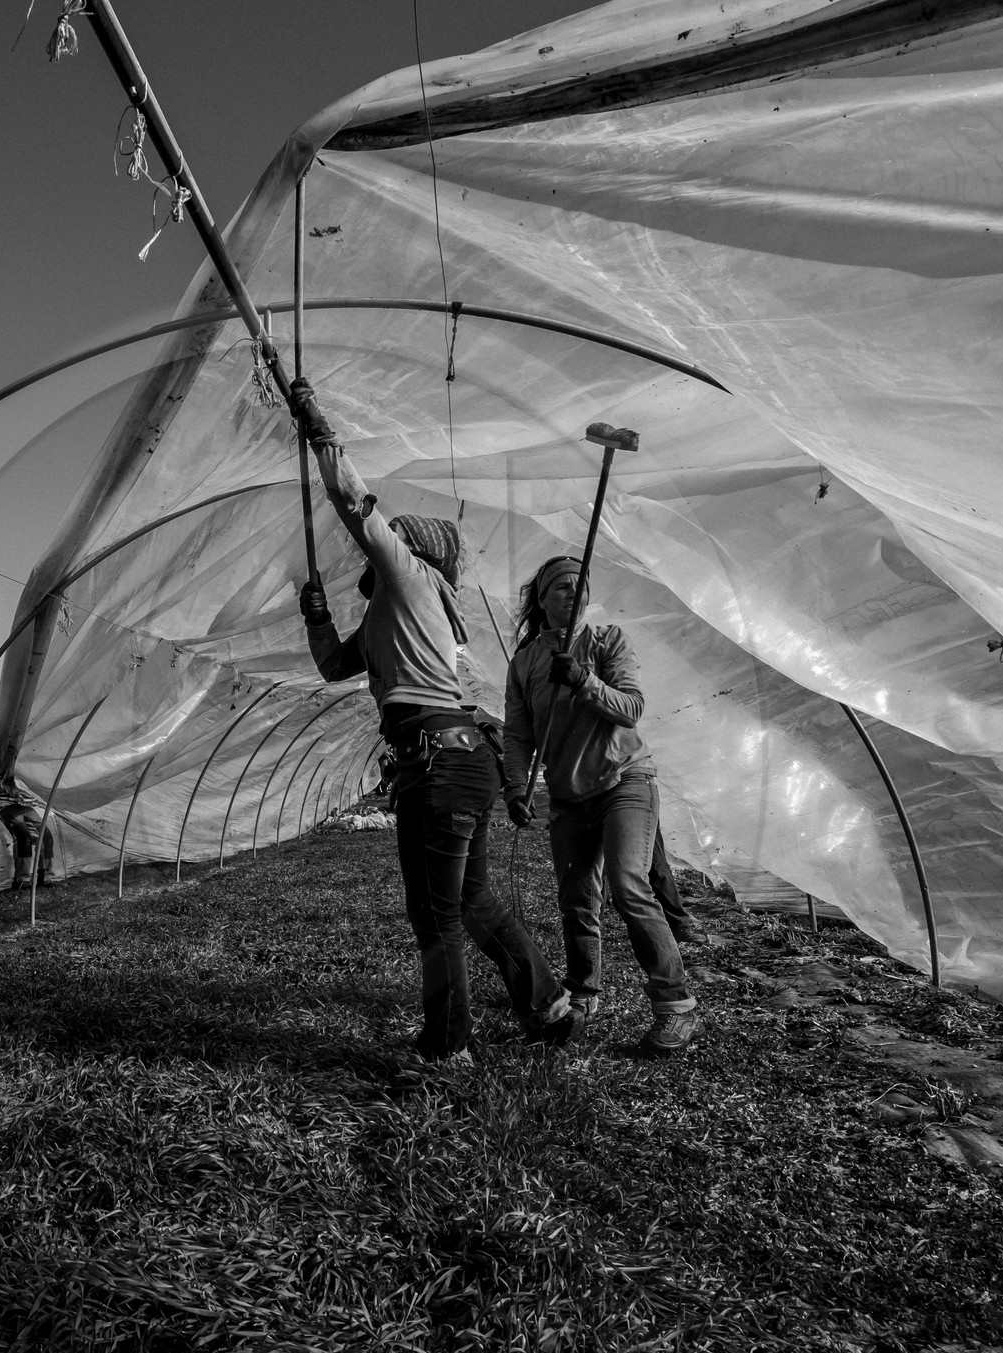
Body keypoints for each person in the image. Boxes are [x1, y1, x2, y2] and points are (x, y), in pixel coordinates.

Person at [291, 381, 571, 1061]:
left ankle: (448, 1050)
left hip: (439, 763)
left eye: (385, 551)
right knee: (469, 900)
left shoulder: (411, 581)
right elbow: (335, 665)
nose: (372, 560)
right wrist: (318, 617)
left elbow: (356, 507)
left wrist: (319, 430)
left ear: (409, 554)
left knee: (437, 915)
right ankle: (546, 1003)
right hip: (449, 762)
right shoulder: (398, 619)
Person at [502, 556, 699, 1051]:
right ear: (542, 599)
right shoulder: (525, 663)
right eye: (561, 588)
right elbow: (518, 735)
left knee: (628, 883)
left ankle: (675, 1005)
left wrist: (584, 681)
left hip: (624, 780)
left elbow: (631, 709)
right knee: (577, 900)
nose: (573, 594)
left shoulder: (606, 641)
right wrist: (515, 788)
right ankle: (584, 992)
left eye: (580, 586)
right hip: (568, 795)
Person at [0, 763, 52, 890]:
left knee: (46, 835)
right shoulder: (6, 760)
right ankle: (22, 879)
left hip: (24, 805)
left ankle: (45, 877)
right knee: (23, 836)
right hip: (5, 804)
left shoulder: (33, 763)